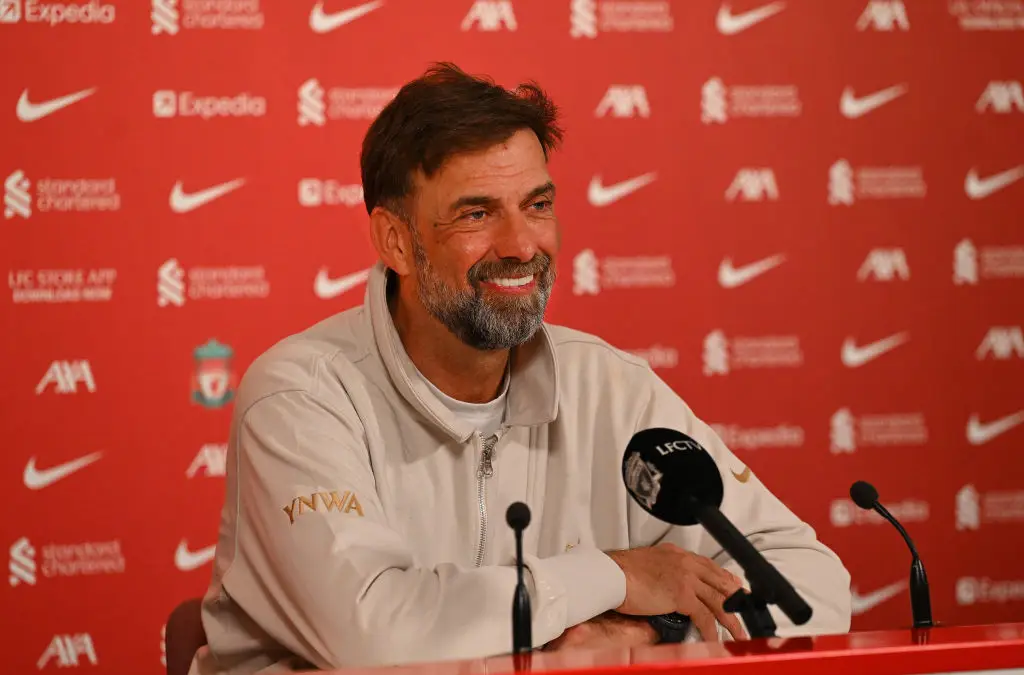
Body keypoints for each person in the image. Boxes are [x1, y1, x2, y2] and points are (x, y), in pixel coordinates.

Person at [189, 62, 851, 675]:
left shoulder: (610, 386)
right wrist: (611, 576)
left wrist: (656, 634)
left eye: (536, 205)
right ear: (396, 240)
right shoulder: (302, 395)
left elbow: (807, 584)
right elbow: (376, 639)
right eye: (477, 213)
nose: (520, 245)